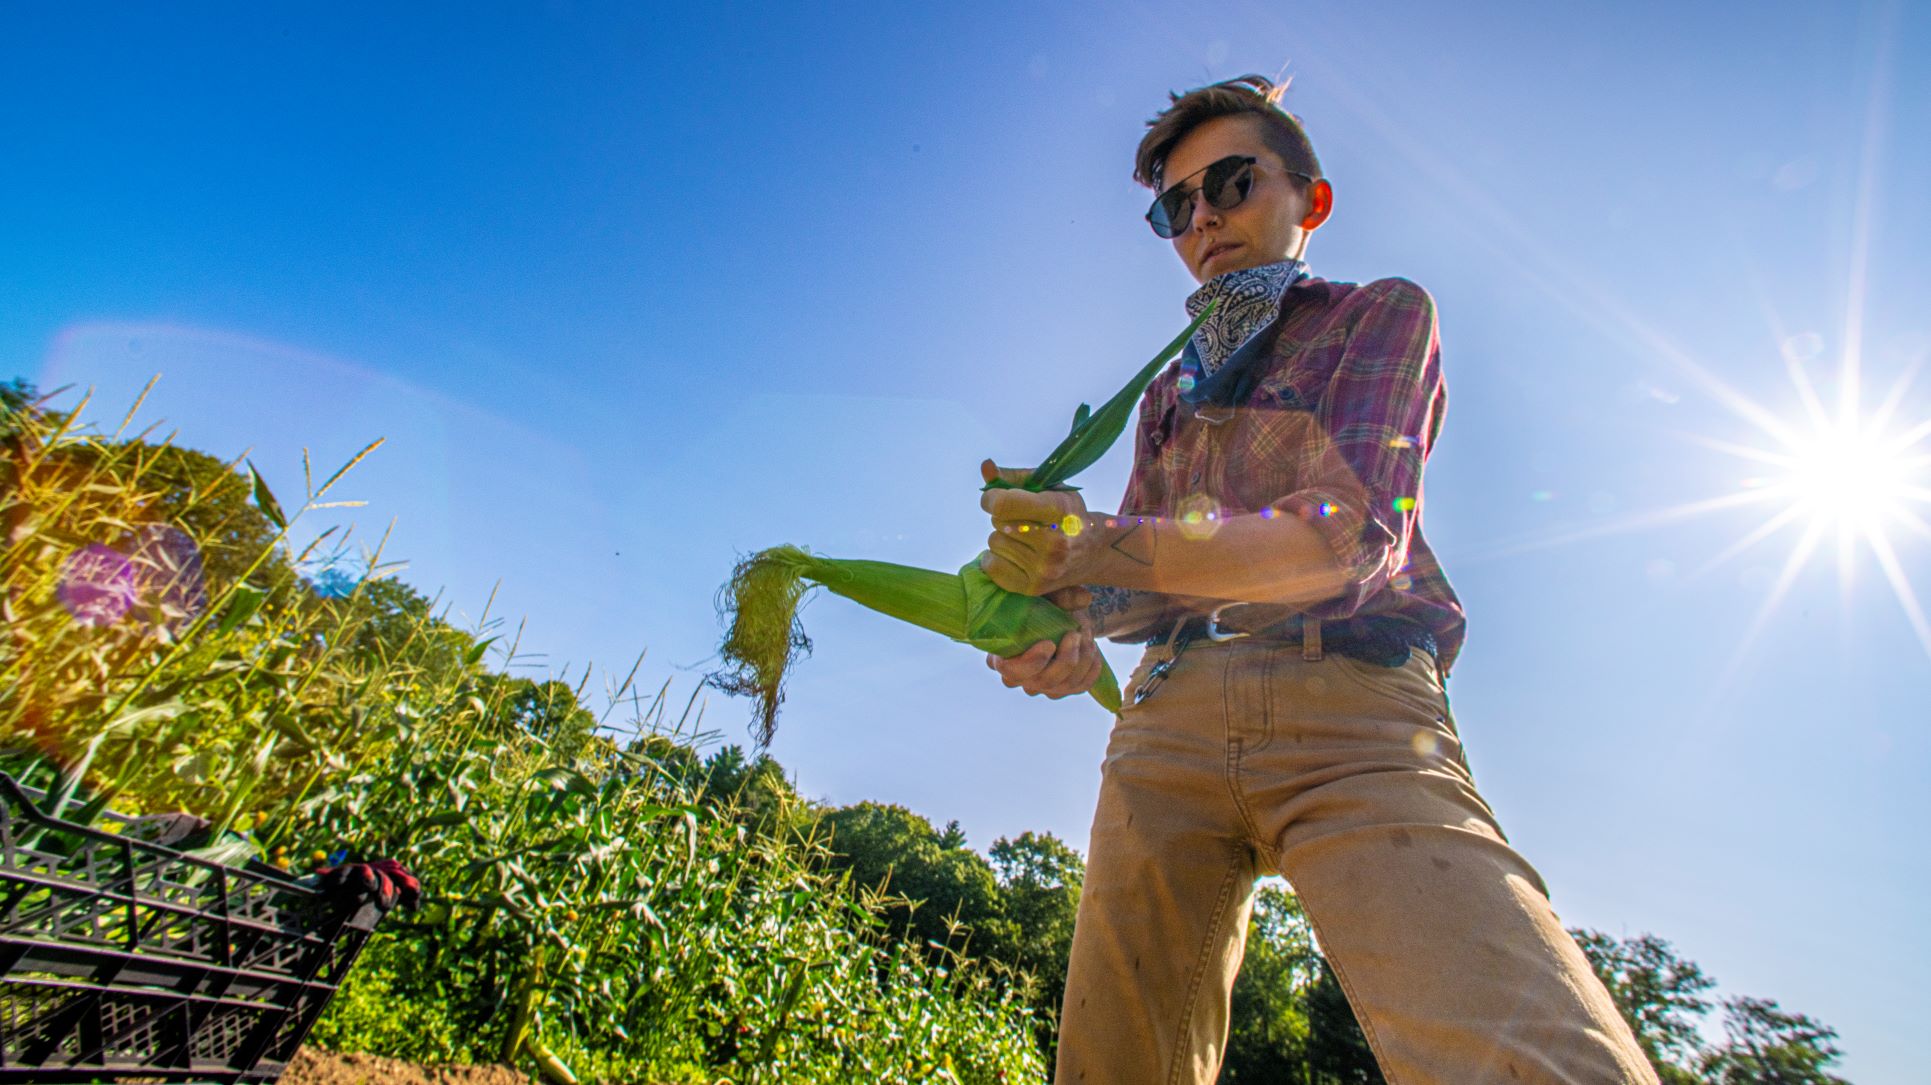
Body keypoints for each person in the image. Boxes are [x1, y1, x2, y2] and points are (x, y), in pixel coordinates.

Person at [976, 75, 1657, 1084]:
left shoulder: (1378, 315)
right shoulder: (1165, 397)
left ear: (1311, 199)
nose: (1201, 219)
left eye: (1229, 183)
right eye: (1174, 208)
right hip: (1164, 721)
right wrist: (1063, 618)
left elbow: (1347, 538)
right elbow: (1138, 592)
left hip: (1353, 714)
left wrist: (1099, 545)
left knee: (1527, 1056)